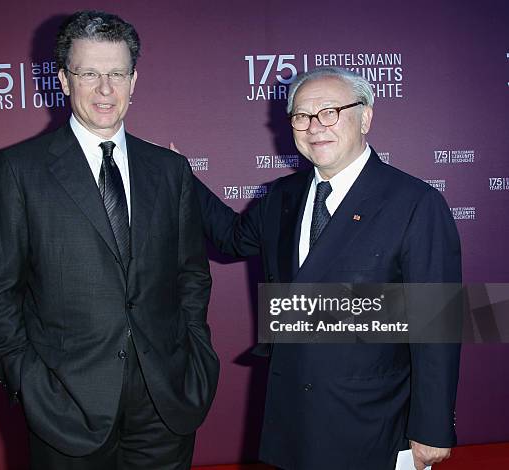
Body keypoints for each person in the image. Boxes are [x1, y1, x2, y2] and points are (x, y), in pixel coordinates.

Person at [0, 10, 218, 470]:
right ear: (64, 80)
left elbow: (191, 275)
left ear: (134, 80)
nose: (105, 89)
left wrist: (196, 354)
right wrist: (27, 378)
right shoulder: (19, 170)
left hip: (166, 403)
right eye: (89, 73)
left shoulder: (171, 171)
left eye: (117, 74)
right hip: (64, 404)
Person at [194, 67, 461, 470]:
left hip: (372, 421)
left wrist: (433, 426)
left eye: (330, 111)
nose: (315, 126)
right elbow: (232, 237)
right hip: (293, 417)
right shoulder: (281, 197)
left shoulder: (415, 203)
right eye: (301, 116)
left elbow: (438, 322)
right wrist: (179, 177)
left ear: (366, 117)